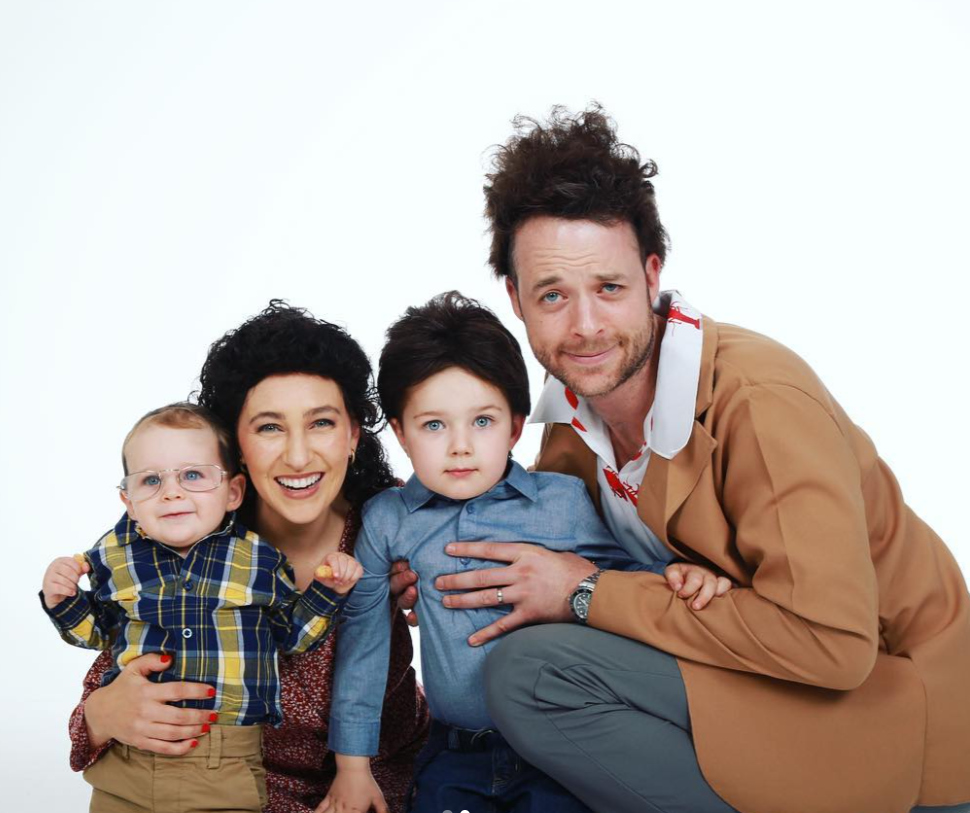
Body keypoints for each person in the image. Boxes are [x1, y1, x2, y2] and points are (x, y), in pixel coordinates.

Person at [393, 107, 970, 813]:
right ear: (515, 299)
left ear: (651, 272)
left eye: (608, 287)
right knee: (528, 670)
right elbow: (554, 562)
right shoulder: (571, 417)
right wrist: (439, 567)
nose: (585, 327)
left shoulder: (760, 399)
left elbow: (833, 644)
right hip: (750, 679)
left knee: (529, 674)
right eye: (552, 295)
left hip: (892, 710)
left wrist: (585, 592)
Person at [324, 292, 731, 813]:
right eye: (433, 425)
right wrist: (353, 768)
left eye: (483, 421)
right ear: (400, 433)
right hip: (457, 752)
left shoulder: (561, 501)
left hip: (559, 749)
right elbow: (365, 643)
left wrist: (680, 575)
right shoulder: (388, 520)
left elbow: (620, 578)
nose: (460, 446)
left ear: (516, 426)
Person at [67, 302, 430, 813]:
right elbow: (112, 661)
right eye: (269, 428)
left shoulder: (397, 522)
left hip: (384, 781)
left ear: (353, 434)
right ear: (234, 445)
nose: (299, 457)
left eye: (321, 423)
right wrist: (102, 715)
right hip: (235, 789)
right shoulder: (189, 536)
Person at [42, 402, 361, 812]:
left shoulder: (259, 559)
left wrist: (326, 592)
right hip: (125, 762)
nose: (171, 491)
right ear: (129, 501)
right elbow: (100, 633)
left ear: (233, 493)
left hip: (224, 762)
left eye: (193, 475)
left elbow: (291, 637)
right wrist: (64, 600)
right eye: (151, 480)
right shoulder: (113, 554)